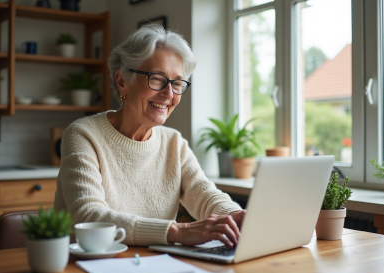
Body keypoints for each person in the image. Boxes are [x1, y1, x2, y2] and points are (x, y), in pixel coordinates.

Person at [54, 24, 245, 248]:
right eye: (157, 78)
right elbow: (88, 216)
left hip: (154, 265)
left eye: (177, 83)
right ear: (122, 81)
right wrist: (177, 231)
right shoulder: (83, 134)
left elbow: (205, 195)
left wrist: (237, 215)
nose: (169, 93)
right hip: (89, 264)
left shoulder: (174, 143)